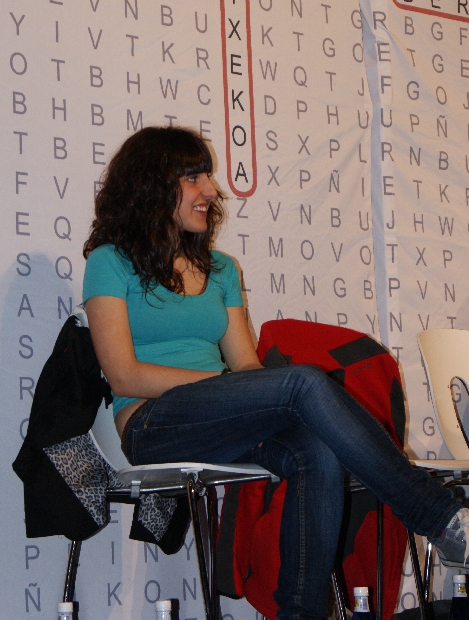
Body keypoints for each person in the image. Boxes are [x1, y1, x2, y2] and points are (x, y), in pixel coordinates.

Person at [83, 125, 469, 620]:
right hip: (152, 424)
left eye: (208, 177)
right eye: (194, 177)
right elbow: (124, 376)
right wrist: (229, 386)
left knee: (317, 451)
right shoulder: (110, 262)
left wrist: (243, 387)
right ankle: (437, 516)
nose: (211, 190)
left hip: (223, 418)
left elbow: (246, 366)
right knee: (302, 381)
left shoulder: (220, 269)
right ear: (151, 186)